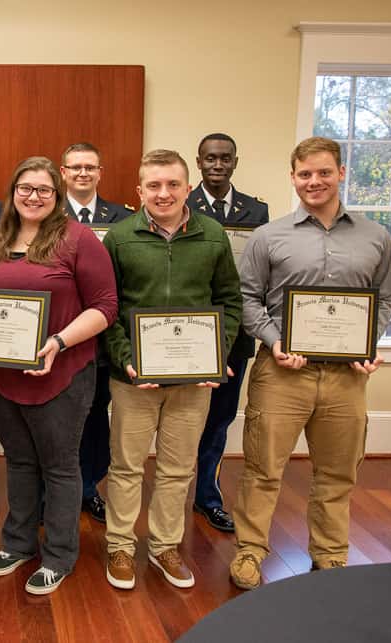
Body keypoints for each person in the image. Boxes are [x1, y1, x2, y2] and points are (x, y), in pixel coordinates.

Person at [229, 137, 391, 590]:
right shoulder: (270, 236)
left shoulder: (375, 236)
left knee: (338, 471)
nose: (314, 181)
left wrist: (366, 343)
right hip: (282, 371)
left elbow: (385, 299)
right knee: (264, 469)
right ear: (293, 178)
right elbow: (246, 299)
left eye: (323, 172)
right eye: (305, 174)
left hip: (346, 378)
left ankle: (330, 555)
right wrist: (272, 338)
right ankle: (250, 551)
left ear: (341, 173)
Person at [0, 156, 117, 595]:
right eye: (25, 188)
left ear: (57, 195)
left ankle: (60, 555)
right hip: (2, 377)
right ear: (12, 192)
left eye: (44, 189)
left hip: (60, 374)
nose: (33, 196)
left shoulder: (79, 240)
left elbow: (105, 306)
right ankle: (19, 542)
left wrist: (60, 341)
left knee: (61, 466)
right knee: (20, 460)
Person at [102, 150, 241, 591]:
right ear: (139, 190)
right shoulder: (120, 238)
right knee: (126, 467)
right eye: (154, 185)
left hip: (194, 381)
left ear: (187, 187)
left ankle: (165, 546)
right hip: (133, 379)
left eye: (173, 185)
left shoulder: (213, 236)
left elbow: (230, 303)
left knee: (178, 469)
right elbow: (108, 309)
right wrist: (125, 357)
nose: (164, 193)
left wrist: (215, 355)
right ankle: (120, 546)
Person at [189, 133, 269, 533]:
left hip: (234, 334)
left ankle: (207, 495)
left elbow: (261, 276)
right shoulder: (181, 205)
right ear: (198, 161)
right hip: (184, 333)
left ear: (235, 162)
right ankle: (171, 491)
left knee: (218, 420)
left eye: (224, 158)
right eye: (209, 158)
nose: (217, 165)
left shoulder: (256, 211)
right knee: (178, 418)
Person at [60, 141, 134, 524]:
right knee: (60, 419)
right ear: (64, 173)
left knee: (95, 417)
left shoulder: (123, 219)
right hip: (61, 337)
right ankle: (56, 492)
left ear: (100, 173)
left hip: (105, 339)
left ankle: (89, 487)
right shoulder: (47, 216)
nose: (83, 173)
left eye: (90, 166)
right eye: (75, 167)